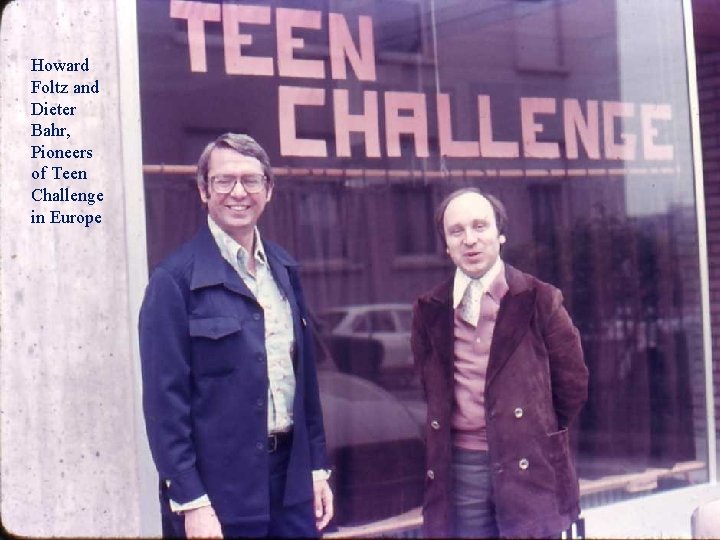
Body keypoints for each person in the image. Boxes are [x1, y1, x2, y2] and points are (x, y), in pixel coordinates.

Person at [139, 133, 333, 538]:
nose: (239, 192)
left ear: (269, 189)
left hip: (292, 488)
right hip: (219, 495)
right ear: (204, 191)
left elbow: (305, 384)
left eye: (251, 180)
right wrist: (192, 501)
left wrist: (316, 468)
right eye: (224, 180)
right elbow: (164, 405)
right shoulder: (174, 281)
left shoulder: (284, 269)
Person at [410, 188, 588, 538]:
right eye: (456, 231)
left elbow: (572, 385)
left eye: (480, 226)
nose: (470, 240)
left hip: (531, 467)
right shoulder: (429, 309)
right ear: (446, 245)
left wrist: (530, 430)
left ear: (500, 234)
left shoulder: (541, 299)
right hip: (461, 472)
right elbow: (429, 385)